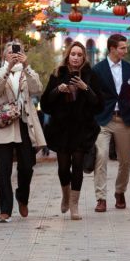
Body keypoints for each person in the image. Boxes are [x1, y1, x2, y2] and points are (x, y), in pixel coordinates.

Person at [39, 41, 102, 220]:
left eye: (79, 55)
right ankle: (65, 195)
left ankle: (74, 205)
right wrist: (57, 90)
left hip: (82, 128)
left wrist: (86, 88)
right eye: (73, 54)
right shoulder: (58, 74)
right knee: (63, 167)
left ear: (83, 57)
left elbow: (99, 105)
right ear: (68, 56)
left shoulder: (91, 75)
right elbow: (45, 105)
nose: (76, 57)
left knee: (78, 166)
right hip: (62, 129)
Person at [0, 40, 46, 223]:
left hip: (24, 123)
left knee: (27, 166)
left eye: (19, 51)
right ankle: (5, 209)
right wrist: (9, 68)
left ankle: (22, 196)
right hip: (4, 124)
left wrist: (26, 66)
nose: (15, 54)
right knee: (3, 169)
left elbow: (37, 88)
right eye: (12, 51)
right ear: (5, 54)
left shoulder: (27, 72)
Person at [90, 34, 130, 212]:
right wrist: (94, 117)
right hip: (104, 119)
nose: (125, 51)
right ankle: (101, 198)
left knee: (125, 161)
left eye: (126, 48)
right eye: (122, 48)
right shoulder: (97, 69)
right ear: (112, 49)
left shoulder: (129, 69)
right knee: (101, 156)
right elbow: (93, 96)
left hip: (125, 120)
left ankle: (120, 192)